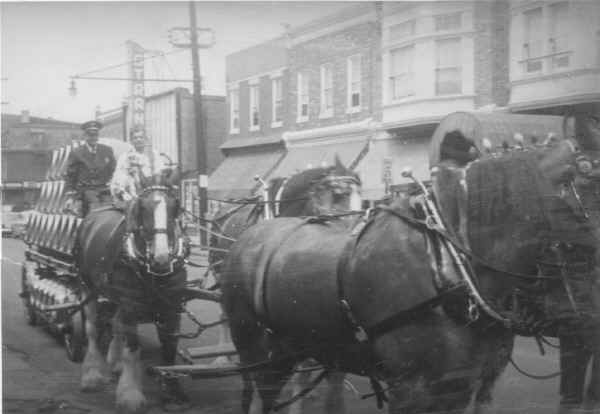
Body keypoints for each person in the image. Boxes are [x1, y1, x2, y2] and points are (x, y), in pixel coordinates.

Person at [64, 120, 116, 216]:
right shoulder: (77, 153)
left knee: (111, 210)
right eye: (90, 135)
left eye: (95, 135)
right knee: (95, 209)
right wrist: (70, 197)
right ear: (85, 136)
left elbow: (113, 170)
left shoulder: (107, 150)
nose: (93, 138)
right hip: (86, 190)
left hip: (104, 188)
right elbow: (70, 176)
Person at [110, 127, 165, 202]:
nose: (138, 140)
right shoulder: (125, 156)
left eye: (141, 137)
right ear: (131, 141)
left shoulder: (154, 154)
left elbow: (160, 171)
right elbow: (118, 175)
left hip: (152, 188)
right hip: (133, 190)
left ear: (145, 139)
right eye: (135, 138)